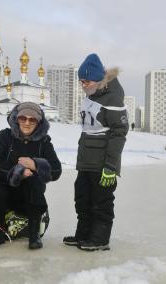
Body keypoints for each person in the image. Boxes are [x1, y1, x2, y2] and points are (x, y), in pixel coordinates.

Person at [63, 53, 129, 251]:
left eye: (87, 81)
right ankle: (83, 234)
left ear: (98, 79)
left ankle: (100, 238)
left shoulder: (113, 98)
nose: (83, 84)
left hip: (102, 164)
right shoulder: (91, 95)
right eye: (81, 81)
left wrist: (110, 165)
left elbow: (119, 133)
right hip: (86, 161)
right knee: (82, 199)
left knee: (101, 202)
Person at [0, 102, 62, 250]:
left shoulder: (44, 142)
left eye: (32, 120)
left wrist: (35, 164)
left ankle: (34, 233)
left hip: (30, 199)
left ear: (38, 123)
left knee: (33, 182)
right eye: (23, 118)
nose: (27, 122)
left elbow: (56, 171)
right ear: (16, 119)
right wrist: (16, 171)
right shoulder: (5, 136)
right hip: (5, 196)